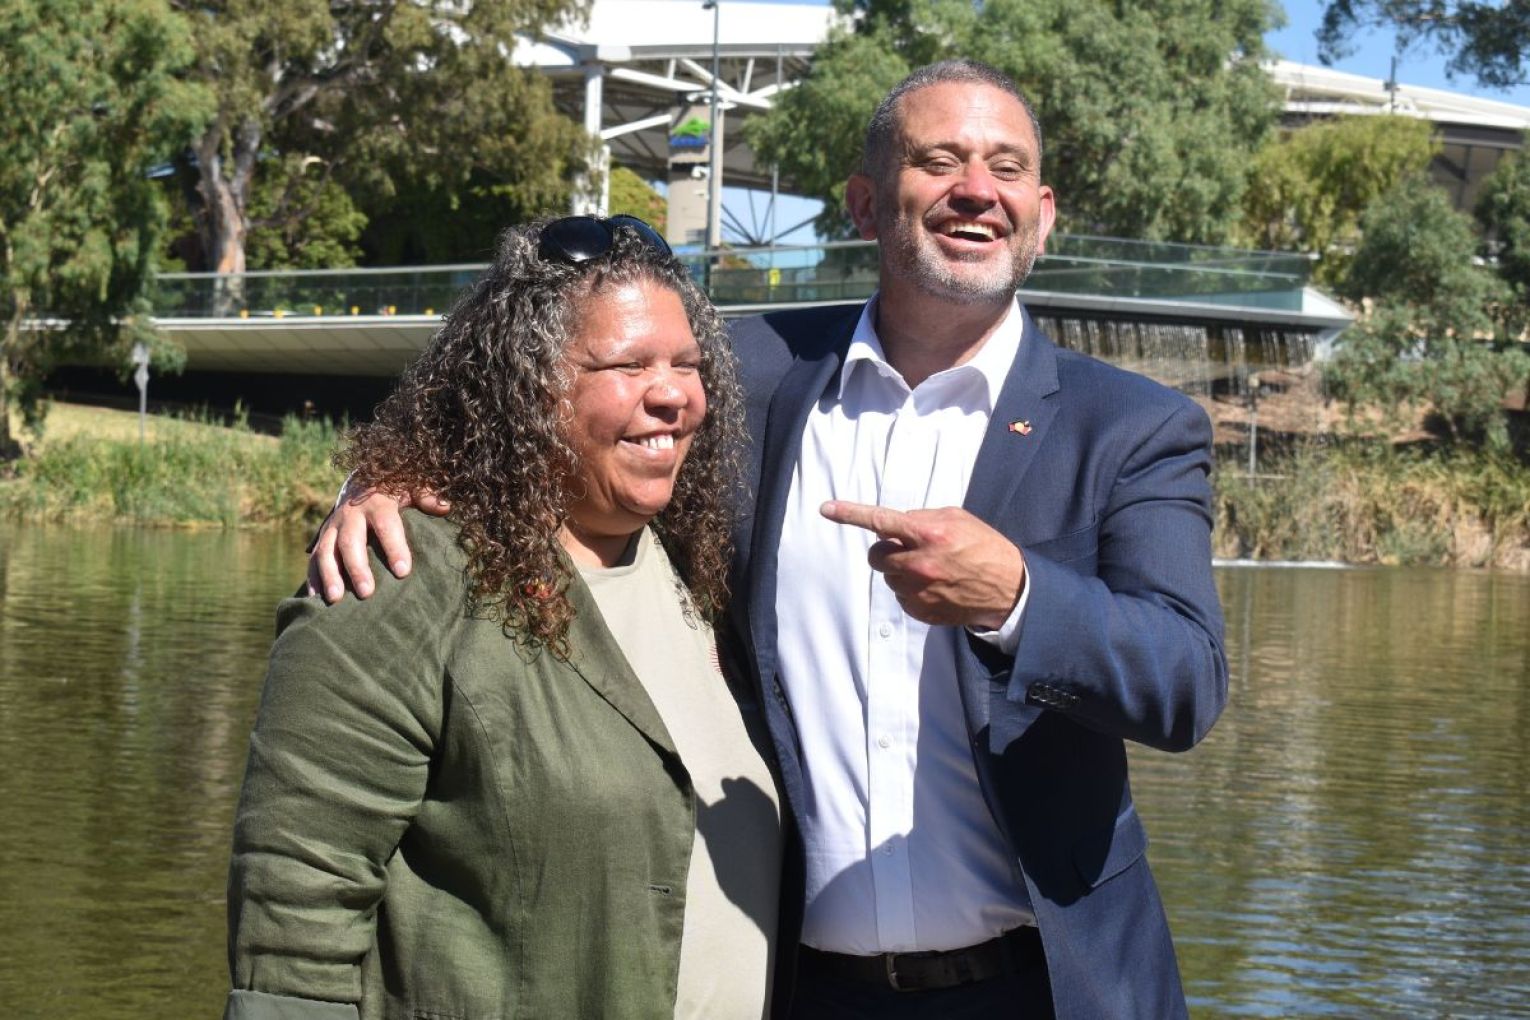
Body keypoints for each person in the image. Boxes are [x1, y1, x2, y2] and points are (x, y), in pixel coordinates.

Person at [309, 61, 1228, 1019]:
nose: (975, 190)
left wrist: (1019, 598)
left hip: (1047, 986)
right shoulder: (748, 370)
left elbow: (1187, 680)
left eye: (1006, 168)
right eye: (940, 161)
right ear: (867, 203)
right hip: (794, 986)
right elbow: (539, 394)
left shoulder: (1132, 426)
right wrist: (388, 477)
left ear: (1041, 213)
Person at [225, 215, 783, 1020]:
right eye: (626, 364)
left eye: (687, 364)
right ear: (524, 386)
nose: (671, 394)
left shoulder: (699, 573)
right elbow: (294, 903)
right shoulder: (407, 575)